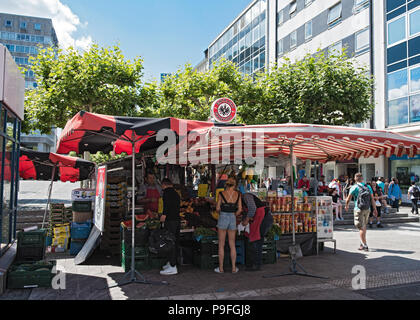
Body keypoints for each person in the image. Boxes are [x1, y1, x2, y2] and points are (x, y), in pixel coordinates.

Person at [215, 177, 242, 274]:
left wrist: (221, 212)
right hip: (232, 218)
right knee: (232, 244)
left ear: (226, 184)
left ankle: (221, 268)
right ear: (234, 185)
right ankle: (234, 268)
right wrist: (234, 215)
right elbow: (239, 210)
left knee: (221, 244)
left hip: (223, 216)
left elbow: (217, 208)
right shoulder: (238, 194)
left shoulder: (221, 194)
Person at [241, 192, 273, 271]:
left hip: (263, 218)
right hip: (257, 219)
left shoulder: (246, 196)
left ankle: (256, 265)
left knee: (256, 240)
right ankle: (252, 264)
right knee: (253, 240)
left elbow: (252, 208)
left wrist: (247, 219)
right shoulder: (241, 201)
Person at [345, 173, 377, 252]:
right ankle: (362, 243)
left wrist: (346, 205)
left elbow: (348, 198)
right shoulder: (368, 186)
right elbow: (372, 199)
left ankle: (365, 245)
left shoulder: (354, 187)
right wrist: (375, 209)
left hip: (358, 208)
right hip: (367, 208)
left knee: (360, 227)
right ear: (362, 178)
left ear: (355, 179)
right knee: (364, 226)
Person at [159, 178, 181, 276]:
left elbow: (166, 205)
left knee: (170, 242)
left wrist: (164, 215)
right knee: (174, 242)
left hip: (170, 220)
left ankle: (173, 267)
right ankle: (172, 263)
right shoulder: (176, 193)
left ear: (164, 185)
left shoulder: (166, 193)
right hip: (177, 220)